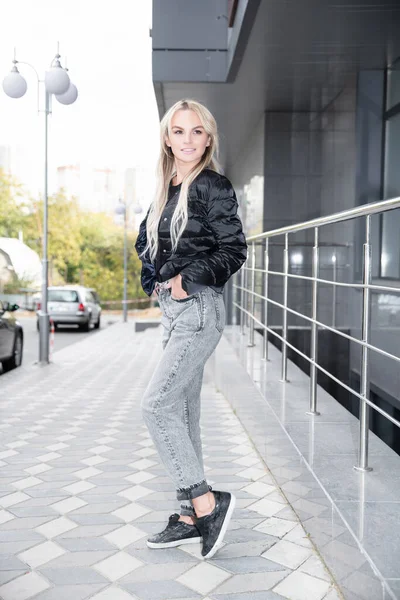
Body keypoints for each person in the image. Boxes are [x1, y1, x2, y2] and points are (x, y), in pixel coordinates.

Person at [135, 99, 247, 559]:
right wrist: (155, 281)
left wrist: (186, 278)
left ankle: (206, 502)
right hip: (174, 310)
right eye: (178, 131)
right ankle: (187, 516)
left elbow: (234, 249)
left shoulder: (213, 187)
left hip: (198, 309)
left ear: (208, 138)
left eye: (196, 132)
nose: (187, 140)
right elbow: (147, 241)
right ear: (167, 138)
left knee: (156, 406)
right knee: (181, 414)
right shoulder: (166, 186)